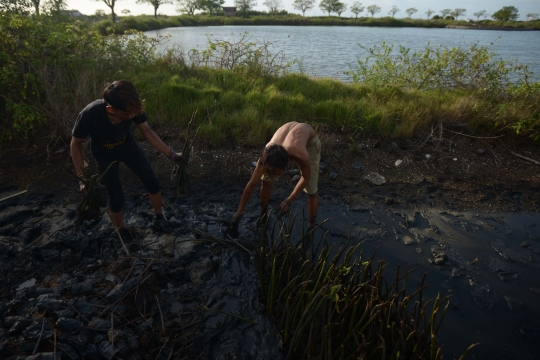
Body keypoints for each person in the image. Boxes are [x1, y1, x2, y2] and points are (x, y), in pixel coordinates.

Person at [70, 80, 183, 236]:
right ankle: (121, 231)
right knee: (116, 196)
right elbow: (75, 144)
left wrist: (171, 154)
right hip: (104, 154)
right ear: (111, 109)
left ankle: (159, 217)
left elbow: (147, 132)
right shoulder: (90, 114)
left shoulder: (132, 107)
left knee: (151, 180)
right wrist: (81, 179)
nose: (132, 116)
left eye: (133, 113)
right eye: (127, 114)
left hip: (128, 147)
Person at [231, 122, 321, 229]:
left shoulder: (301, 154)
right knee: (266, 181)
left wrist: (288, 201)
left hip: (309, 143)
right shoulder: (266, 155)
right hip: (286, 136)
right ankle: (263, 216)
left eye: (277, 174)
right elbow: (252, 184)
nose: (274, 177)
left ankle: (311, 228)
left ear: (286, 164)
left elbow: (306, 177)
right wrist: (240, 211)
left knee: (312, 191)